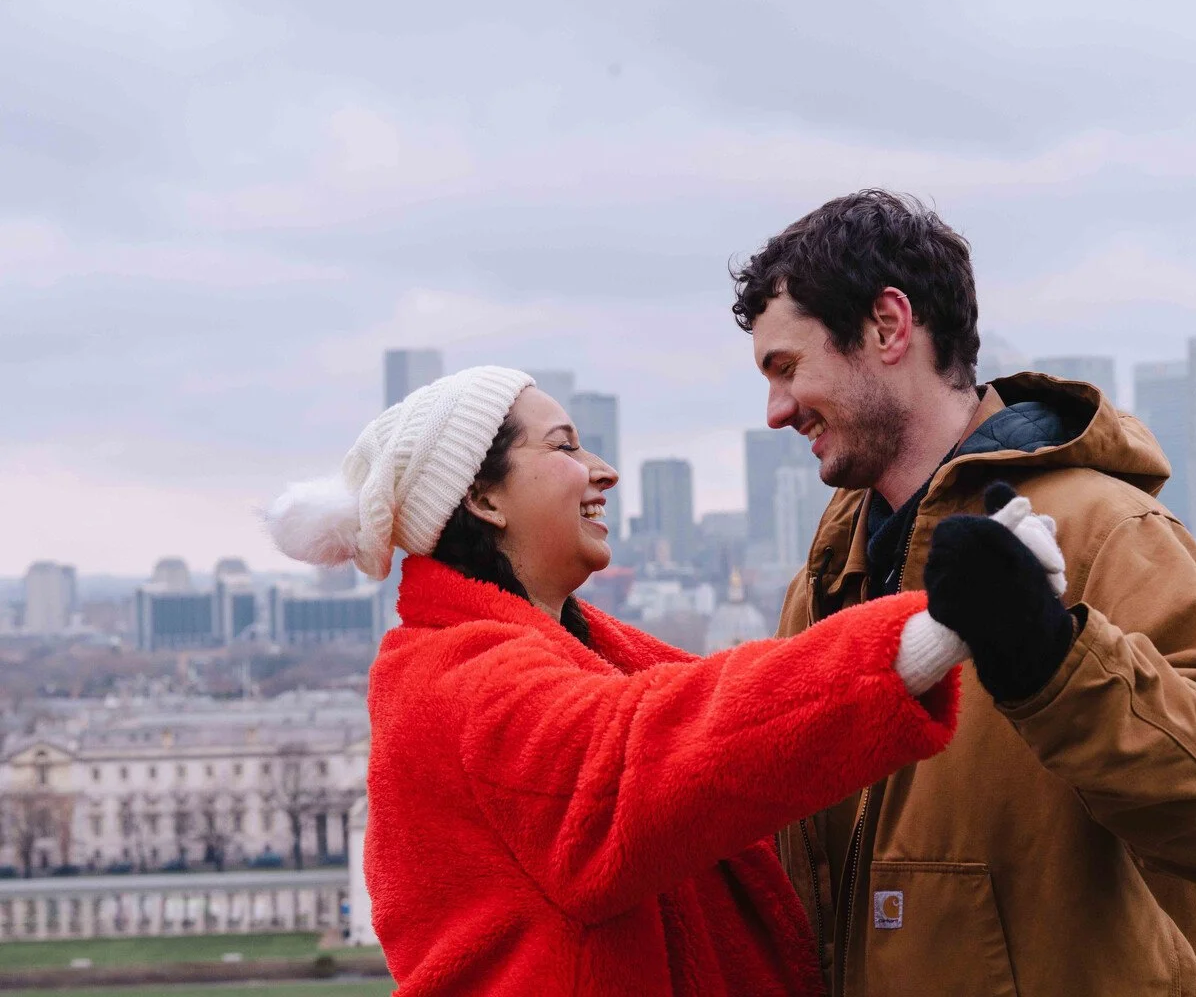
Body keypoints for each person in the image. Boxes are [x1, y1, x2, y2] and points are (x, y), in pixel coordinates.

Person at [262, 366, 1038, 995]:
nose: (603, 471)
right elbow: (652, 755)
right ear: (483, 496)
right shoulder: (455, 679)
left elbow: (727, 719)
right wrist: (927, 633)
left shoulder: (582, 649)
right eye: (564, 447)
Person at [731, 190, 1196, 997]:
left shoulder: (1106, 529)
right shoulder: (827, 583)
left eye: (787, 367)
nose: (776, 411)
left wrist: (1055, 663)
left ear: (889, 327)